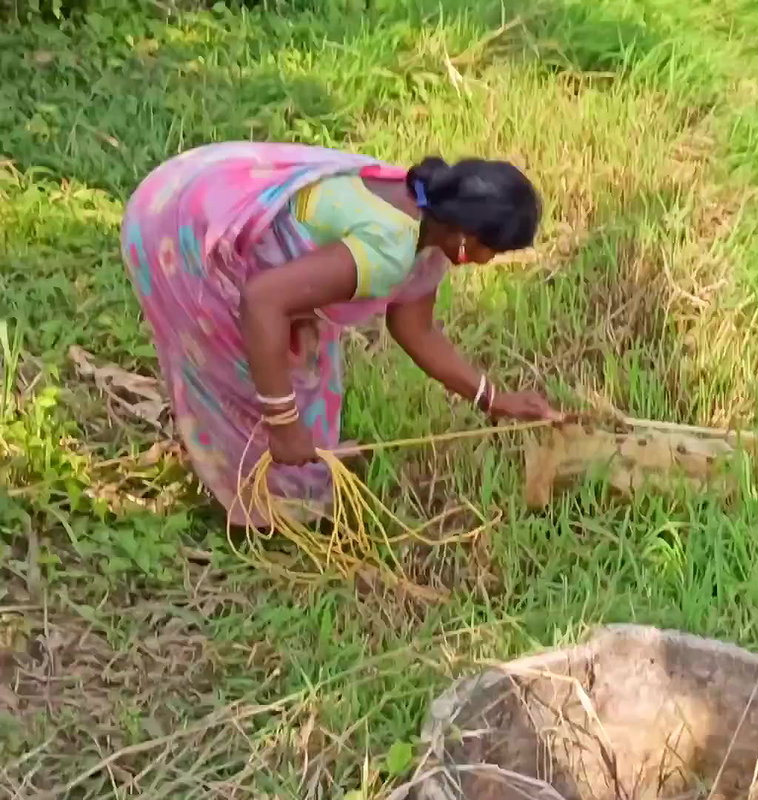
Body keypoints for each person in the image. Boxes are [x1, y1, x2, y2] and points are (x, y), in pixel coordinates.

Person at [119, 141, 564, 527]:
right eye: (493, 251)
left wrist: (493, 399)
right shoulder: (388, 246)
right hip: (181, 228)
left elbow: (417, 328)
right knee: (245, 385)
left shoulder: (427, 214)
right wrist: (282, 422)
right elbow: (262, 301)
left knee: (304, 371)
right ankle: (261, 513)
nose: (489, 261)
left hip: (206, 185)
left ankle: (296, 485)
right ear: (468, 238)